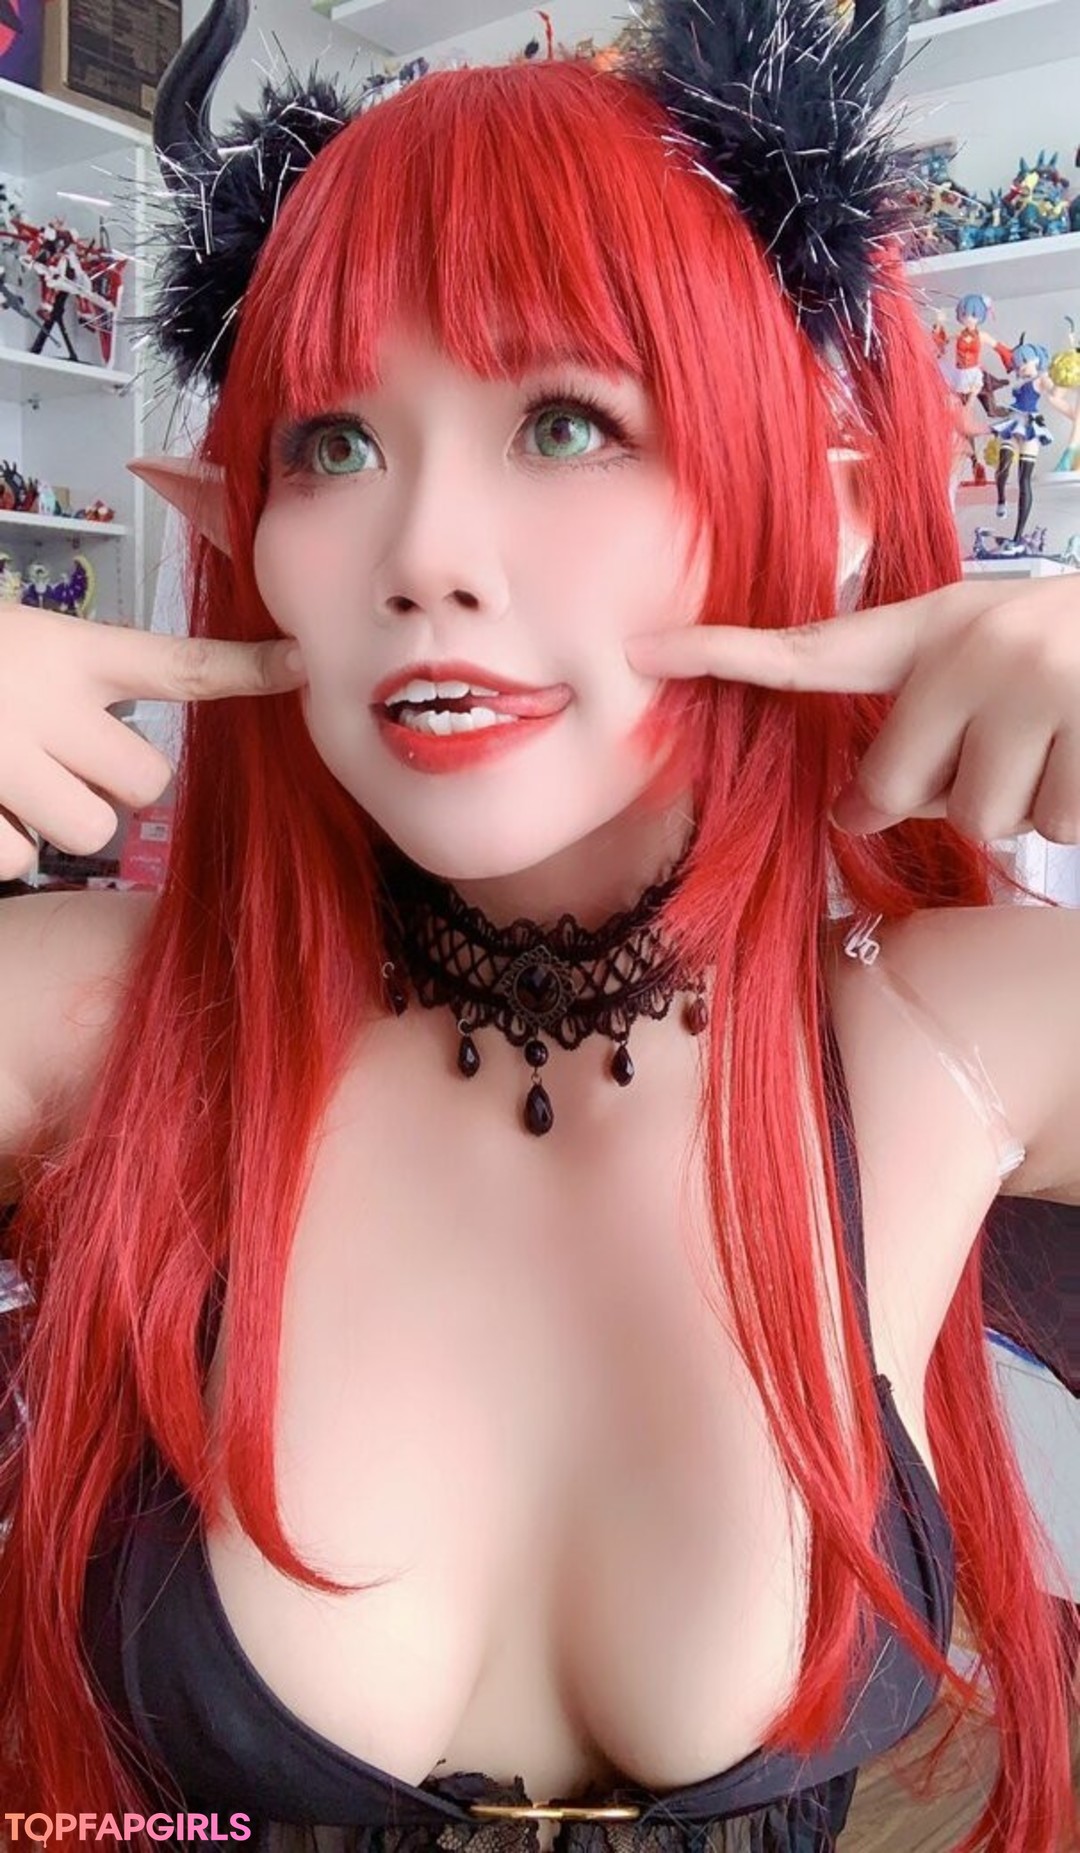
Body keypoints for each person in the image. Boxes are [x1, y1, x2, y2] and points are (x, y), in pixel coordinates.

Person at [0, 2, 1078, 1849]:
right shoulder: (104, 1027)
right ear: (236, 529)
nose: (426, 550)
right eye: (333, 445)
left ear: (821, 516)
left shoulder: (955, 1039)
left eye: (566, 421)